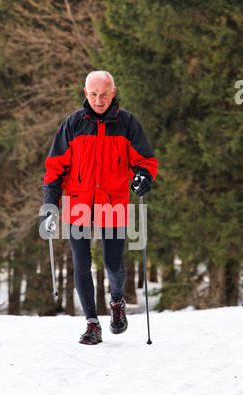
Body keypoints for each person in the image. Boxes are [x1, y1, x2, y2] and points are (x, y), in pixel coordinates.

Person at [39, 71, 158, 345]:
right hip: (78, 203)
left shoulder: (127, 124)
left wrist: (143, 177)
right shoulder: (73, 124)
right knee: (81, 264)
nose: (98, 100)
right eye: (93, 94)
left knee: (114, 265)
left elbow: (145, 161)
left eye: (104, 94)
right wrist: (50, 204)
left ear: (113, 92)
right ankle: (92, 323)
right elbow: (55, 168)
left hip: (113, 202)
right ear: (85, 92)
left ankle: (117, 302)